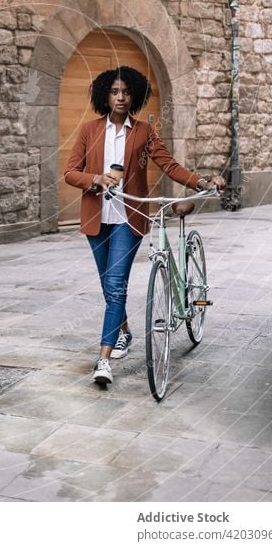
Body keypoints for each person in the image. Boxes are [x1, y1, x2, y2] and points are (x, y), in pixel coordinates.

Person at [64, 66, 225, 385]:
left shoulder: (142, 133)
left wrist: (201, 181)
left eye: (126, 91)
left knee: (115, 286)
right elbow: (70, 173)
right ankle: (124, 332)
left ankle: (104, 360)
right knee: (108, 285)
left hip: (129, 218)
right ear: (104, 97)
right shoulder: (88, 131)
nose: (120, 97)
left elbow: (169, 165)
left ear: (134, 95)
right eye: (114, 92)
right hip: (96, 218)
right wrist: (96, 179)